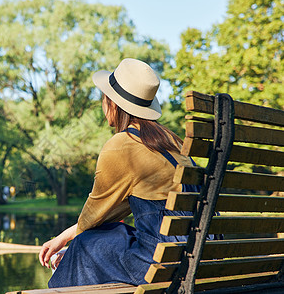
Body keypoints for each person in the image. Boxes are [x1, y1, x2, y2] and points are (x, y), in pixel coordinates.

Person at [38, 58, 210, 287]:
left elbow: (93, 217)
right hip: (201, 252)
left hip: (165, 262)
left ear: (113, 104)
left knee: (85, 245)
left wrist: (64, 244)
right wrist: (66, 241)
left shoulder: (122, 145)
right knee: (110, 234)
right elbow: (109, 216)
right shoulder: (171, 141)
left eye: (103, 97)